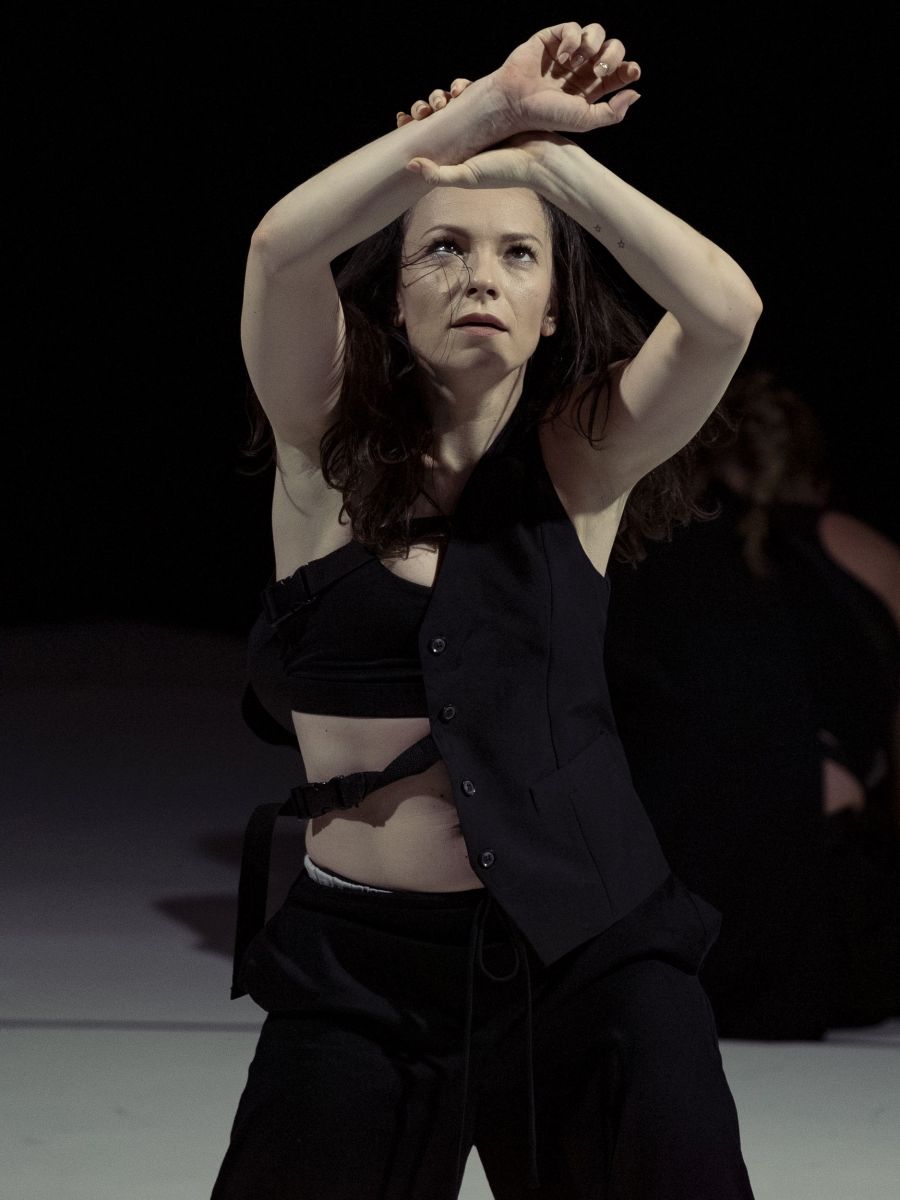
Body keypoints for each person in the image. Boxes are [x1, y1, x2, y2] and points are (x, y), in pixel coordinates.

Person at [213, 19, 762, 1199]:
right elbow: (278, 250)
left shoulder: (584, 462)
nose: (481, 277)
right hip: (363, 976)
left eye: (520, 255)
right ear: (392, 296)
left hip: (592, 956)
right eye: (443, 250)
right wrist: (470, 124)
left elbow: (725, 312)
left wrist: (540, 157)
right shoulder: (320, 448)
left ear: (553, 304)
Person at [604, 368, 900, 1040]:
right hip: (829, 931)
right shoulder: (867, 556)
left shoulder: (636, 557)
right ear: (815, 475)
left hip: (670, 925)